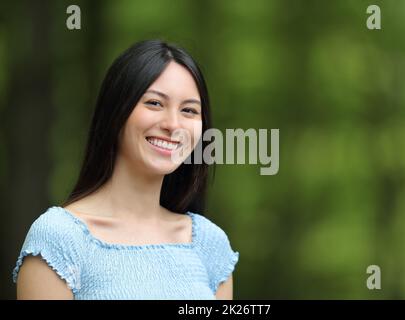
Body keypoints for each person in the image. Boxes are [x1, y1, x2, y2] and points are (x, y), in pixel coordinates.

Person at [12, 40, 239, 300]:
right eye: (154, 103)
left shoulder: (210, 245)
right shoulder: (59, 240)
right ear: (116, 112)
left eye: (189, 110)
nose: (173, 124)